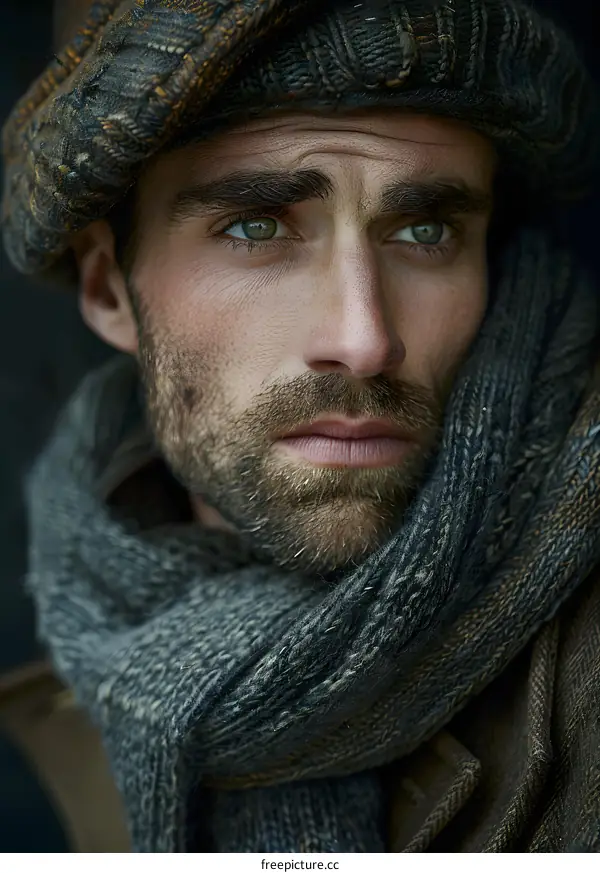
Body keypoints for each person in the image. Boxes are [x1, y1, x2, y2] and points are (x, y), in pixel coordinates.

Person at [1, 0, 599, 854]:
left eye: (425, 230)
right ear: (107, 290)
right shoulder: (86, 634)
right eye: (255, 226)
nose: (363, 339)